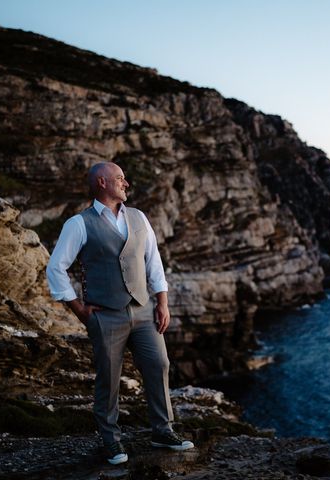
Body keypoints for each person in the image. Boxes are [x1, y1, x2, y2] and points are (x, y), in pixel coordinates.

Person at [46, 162, 194, 465]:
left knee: (159, 364)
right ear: (102, 182)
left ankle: (162, 431)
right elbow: (56, 268)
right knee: (109, 379)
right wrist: (79, 309)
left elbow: (154, 261)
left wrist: (162, 302)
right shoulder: (79, 223)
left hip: (143, 310)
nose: (125, 184)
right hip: (105, 315)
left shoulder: (138, 217)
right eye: (120, 179)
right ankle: (111, 441)